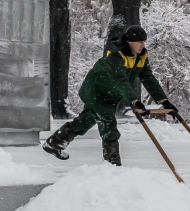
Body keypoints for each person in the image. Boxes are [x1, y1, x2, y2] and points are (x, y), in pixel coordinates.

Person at [41, 25, 177, 165]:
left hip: (110, 94)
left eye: (144, 41)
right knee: (108, 123)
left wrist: (163, 100)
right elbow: (120, 81)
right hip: (95, 90)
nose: (143, 45)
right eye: (140, 41)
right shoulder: (116, 55)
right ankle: (112, 165)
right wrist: (134, 101)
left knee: (87, 119)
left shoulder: (141, 56)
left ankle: (54, 143)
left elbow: (148, 78)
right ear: (130, 41)